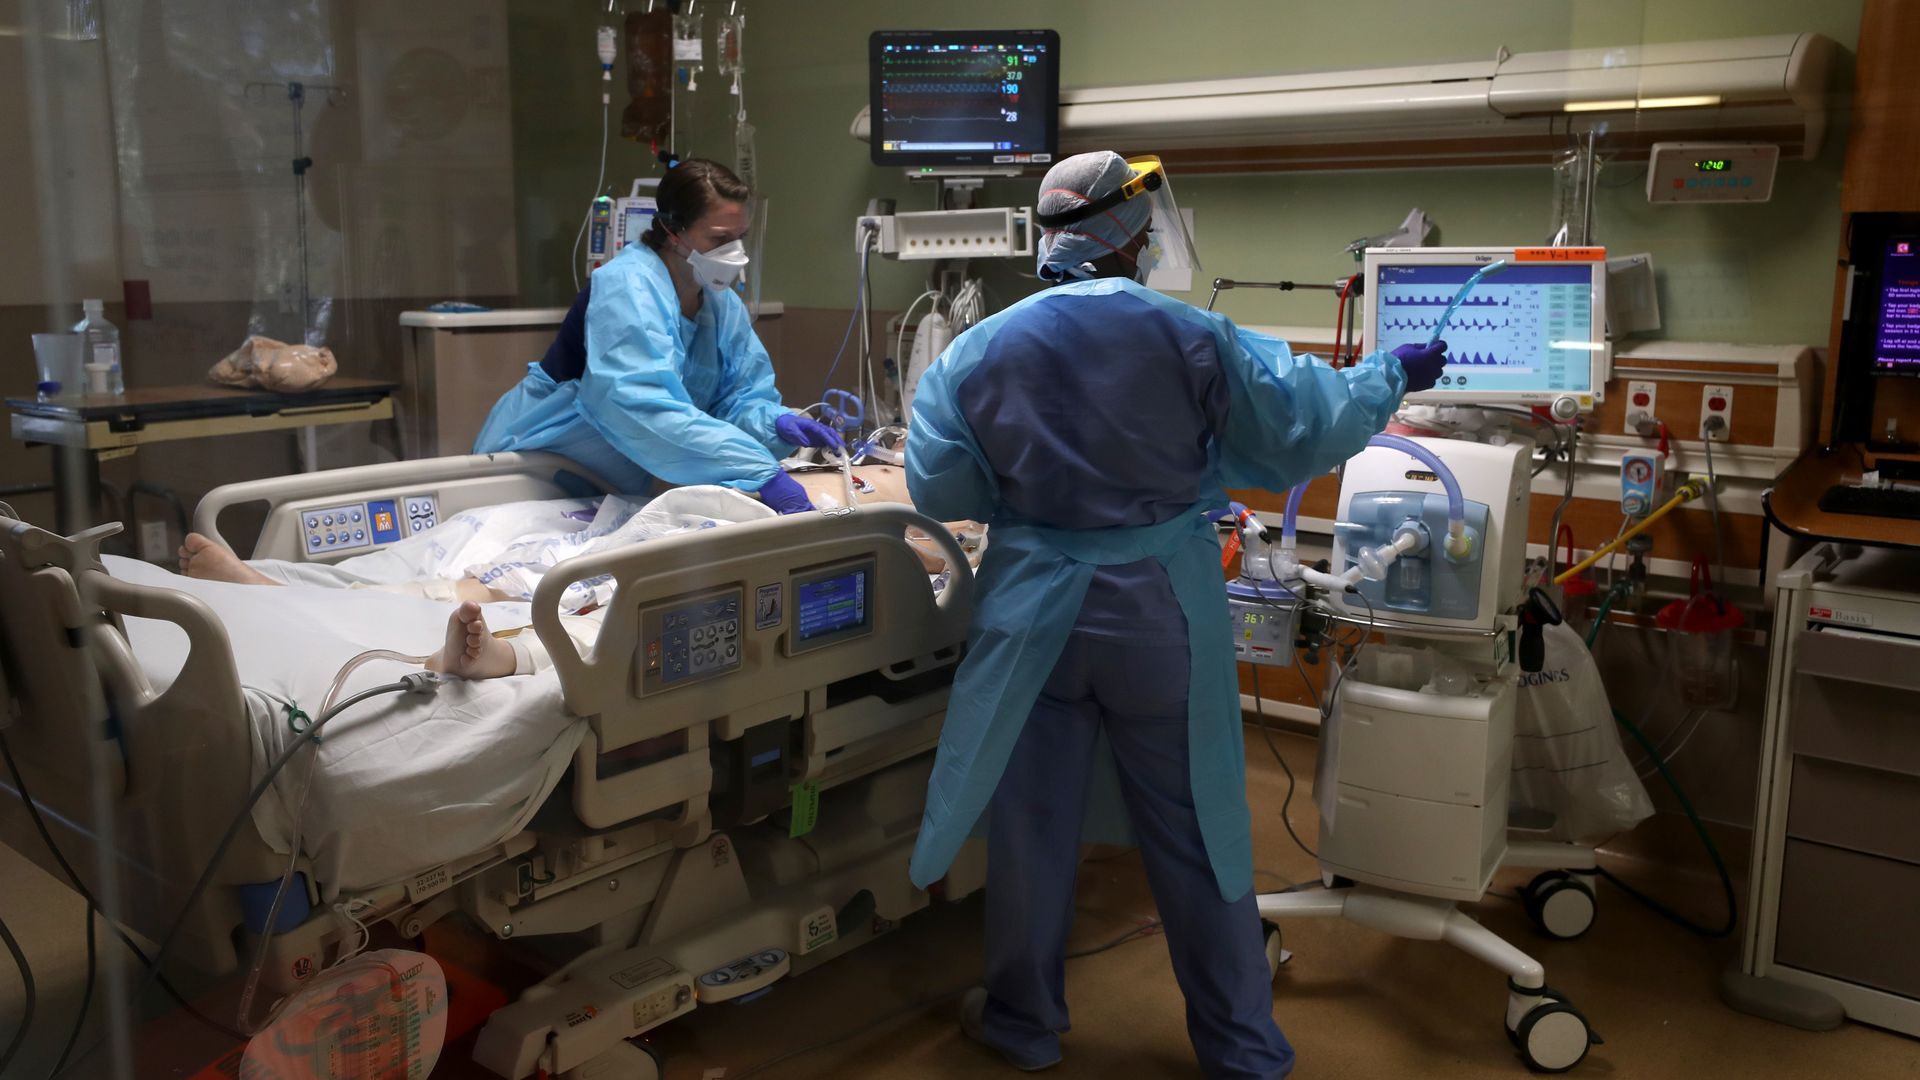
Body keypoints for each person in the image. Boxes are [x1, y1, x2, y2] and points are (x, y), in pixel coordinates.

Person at [903, 151, 1448, 1078]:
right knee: (1198, 827)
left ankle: (1023, 1022)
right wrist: (1388, 376)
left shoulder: (977, 349)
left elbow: (942, 482)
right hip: (1160, 613)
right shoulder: (1195, 336)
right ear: (1135, 235)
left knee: (1032, 830)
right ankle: (1239, 1047)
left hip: (1035, 616)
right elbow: (1298, 427)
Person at [471, 158, 838, 515]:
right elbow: (643, 407)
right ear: (672, 229)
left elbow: (733, 401)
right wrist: (757, 470)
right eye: (719, 239)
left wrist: (776, 422)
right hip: (534, 464)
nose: (735, 253)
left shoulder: (720, 304)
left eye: (741, 237)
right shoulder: (627, 287)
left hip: (609, 481)